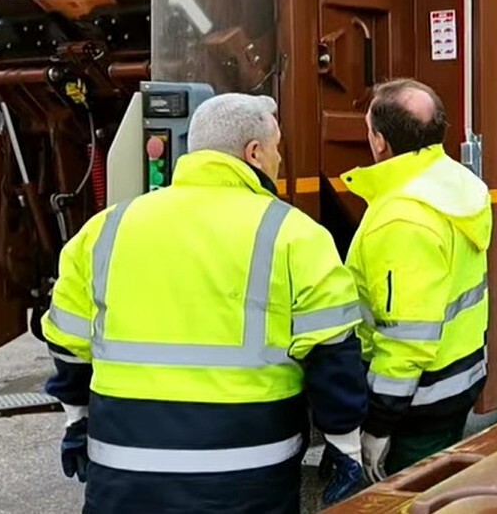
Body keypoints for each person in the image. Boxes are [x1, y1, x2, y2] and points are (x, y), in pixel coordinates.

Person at [41, 93, 369, 513]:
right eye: (276, 149)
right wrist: (345, 447)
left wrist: (76, 420)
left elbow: (66, 341)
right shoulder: (294, 234)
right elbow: (332, 351)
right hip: (248, 477)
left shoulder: (106, 228)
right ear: (254, 153)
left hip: (123, 474)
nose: (279, 161)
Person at [341, 78, 492, 481]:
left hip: (418, 404)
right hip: (457, 381)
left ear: (380, 143)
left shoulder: (403, 218)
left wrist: (377, 426)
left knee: (414, 500)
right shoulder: (455, 184)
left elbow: (406, 341)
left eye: (369, 130)